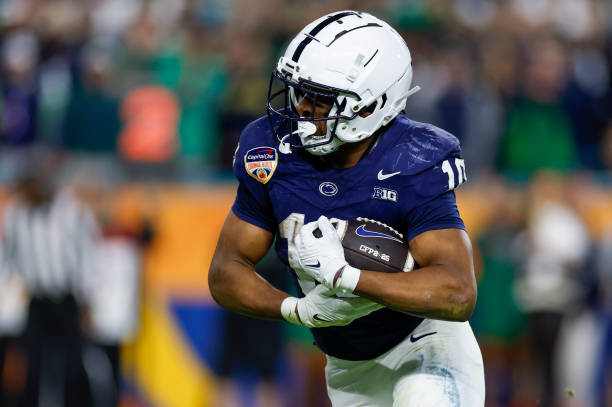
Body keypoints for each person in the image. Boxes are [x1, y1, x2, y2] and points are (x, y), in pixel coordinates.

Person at [209, 10, 484, 406]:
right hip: (347, 366)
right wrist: (296, 310)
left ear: (371, 106)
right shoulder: (271, 151)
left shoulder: (414, 158)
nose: (301, 106)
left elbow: (457, 293)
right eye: (299, 91)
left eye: (319, 97)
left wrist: (347, 277)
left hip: (424, 346)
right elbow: (225, 272)